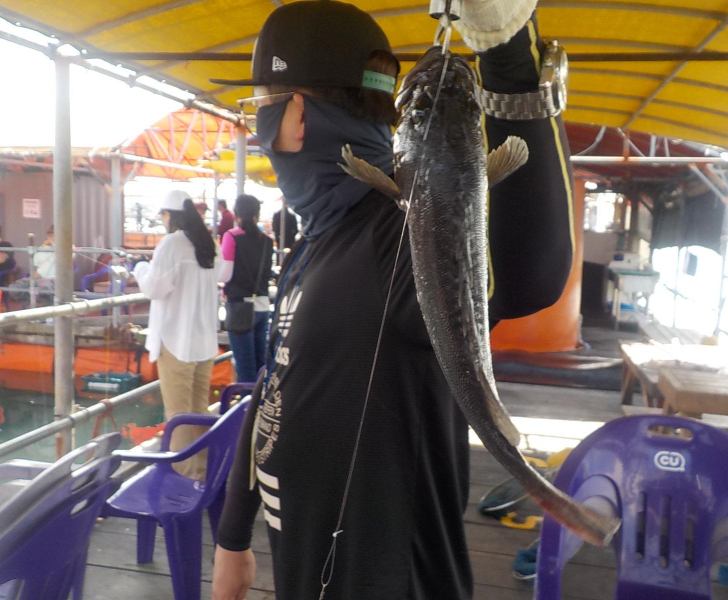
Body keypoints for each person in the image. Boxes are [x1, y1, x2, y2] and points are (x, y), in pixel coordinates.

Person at [212, 1, 574, 598]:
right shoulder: (319, 238)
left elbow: (528, 270)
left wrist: (507, 51)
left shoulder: (400, 234)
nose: (258, 130)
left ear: (295, 115)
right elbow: (276, 381)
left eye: (260, 108)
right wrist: (233, 534)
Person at [133, 190, 222, 480]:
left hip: (176, 341)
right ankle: (205, 469)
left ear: (170, 215)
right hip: (204, 341)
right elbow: (221, 276)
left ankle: (185, 476)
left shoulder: (171, 244)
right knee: (198, 409)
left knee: (178, 414)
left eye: (162, 215)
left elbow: (154, 288)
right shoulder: (209, 244)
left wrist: (140, 268)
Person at [219, 194, 274, 382]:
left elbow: (225, 275)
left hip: (240, 308)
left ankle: (246, 401)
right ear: (257, 214)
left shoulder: (231, 237)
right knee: (260, 367)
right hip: (262, 306)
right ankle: (260, 401)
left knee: (245, 369)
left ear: (237, 214)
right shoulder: (267, 241)